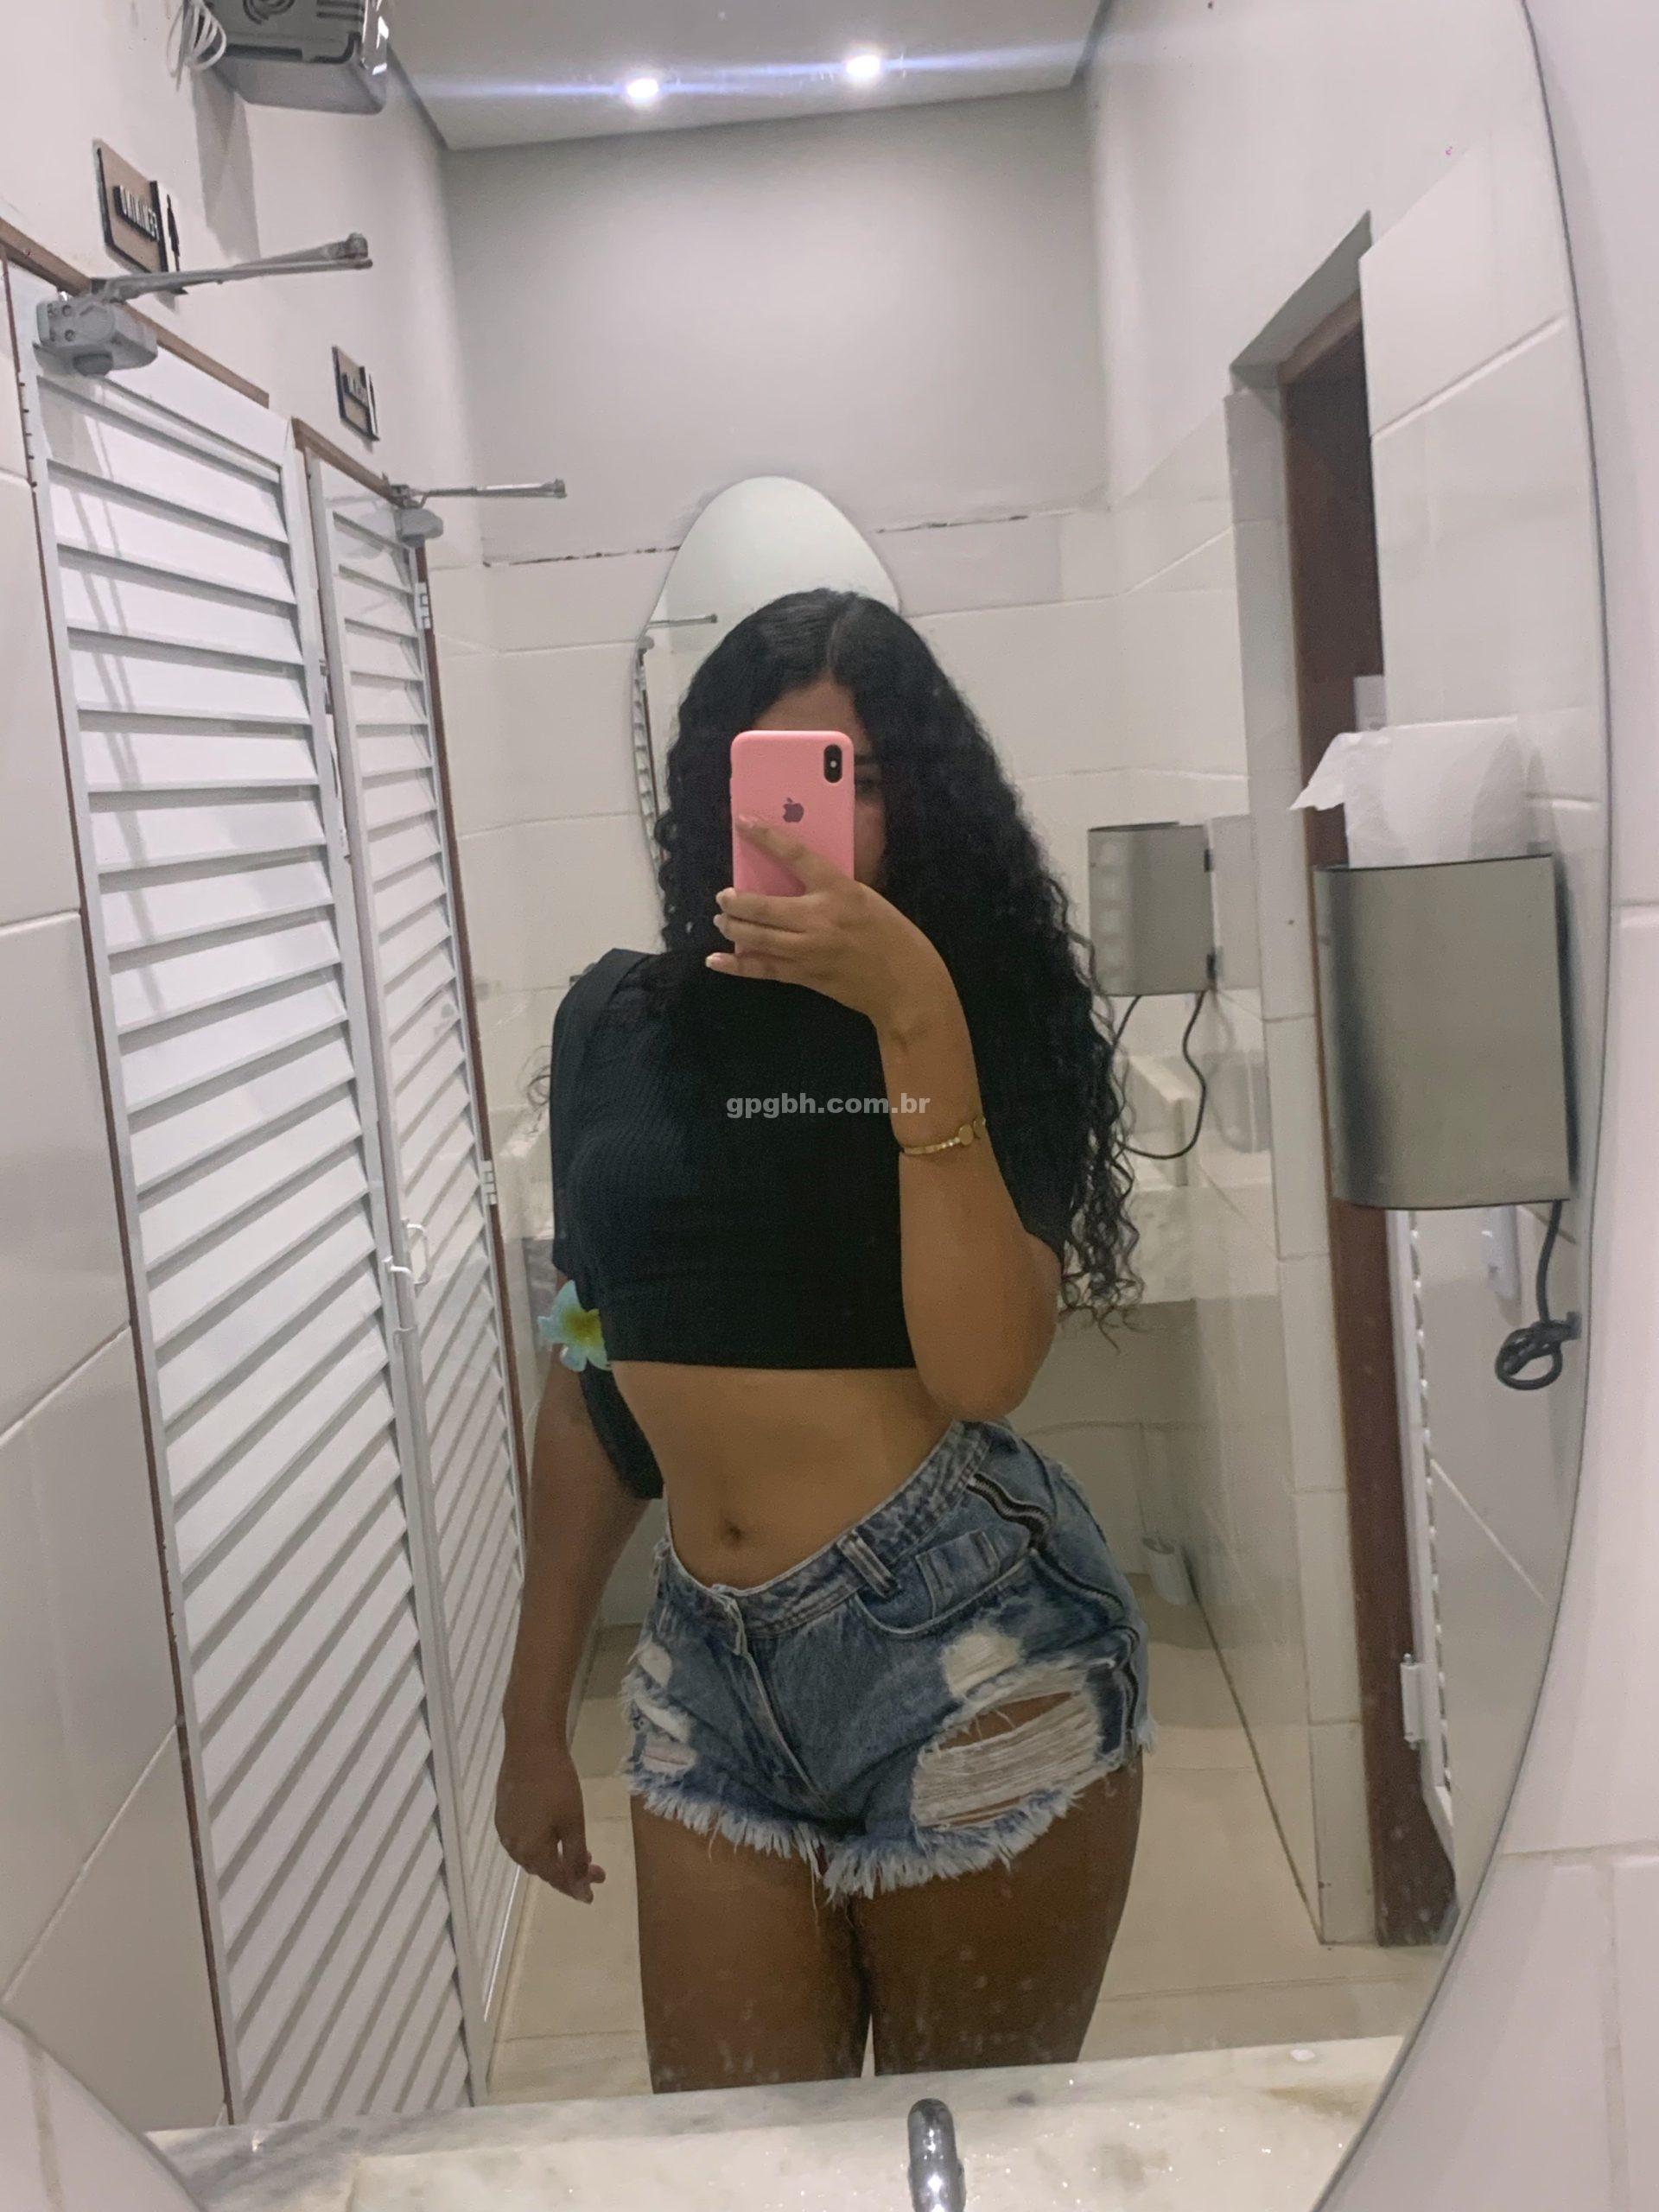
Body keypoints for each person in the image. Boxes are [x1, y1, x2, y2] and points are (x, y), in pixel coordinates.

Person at [496, 589, 1150, 2091]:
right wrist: (533, 1711)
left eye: (854, 780)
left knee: (957, 2159)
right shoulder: (615, 1022)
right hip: (705, 1672)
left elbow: (984, 1371)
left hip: (972, 1644)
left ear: (917, 800)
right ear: (710, 797)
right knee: (738, 2173)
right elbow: (588, 1363)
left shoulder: (986, 1015)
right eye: (774, 778)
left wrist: (914, 1014)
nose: (815, 826)